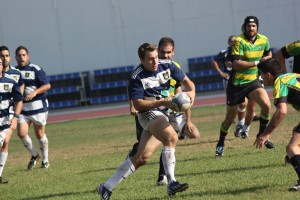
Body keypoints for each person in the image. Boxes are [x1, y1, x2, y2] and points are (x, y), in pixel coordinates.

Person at [96, 43, 196, 199]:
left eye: (156, 57)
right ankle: (171, 183)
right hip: (147, 113)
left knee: (142, 157)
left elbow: (189, 83)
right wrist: (163, 102)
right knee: (171, 138)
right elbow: (138, 104)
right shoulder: (136, 77)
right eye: (150, 59)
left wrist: (191, 94)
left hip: (164, 112)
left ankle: (106, 186)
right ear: (142, 60)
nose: (155, 62)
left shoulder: (167, 65)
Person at [127, 37, 200, 186]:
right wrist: (132, 106)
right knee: (143, 155)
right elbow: (134, 92)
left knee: (172, 137)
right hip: (149, 110)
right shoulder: (146, 66)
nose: (165, 55)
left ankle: (165, 177)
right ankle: (112, 181)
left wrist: (188, 117)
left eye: (168, 52)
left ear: (173, 53)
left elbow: (181, 91)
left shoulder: (172, 66)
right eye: (162, 52)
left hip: (169, 109)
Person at [215, 16, 273, 157]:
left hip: (253, 81)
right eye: (248, 26)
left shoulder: (263, 40)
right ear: (244, 27)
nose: (251, 28)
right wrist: (257, 63)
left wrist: (267, 59)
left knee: (266, 105)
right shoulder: (239, 41)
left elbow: (268, 53)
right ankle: (221, 142)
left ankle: (262, 135)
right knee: (230, 118)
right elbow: (237, 65)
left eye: (253, 26)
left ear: (257, 27)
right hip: (237, 84)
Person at [255, 58, 300, 191]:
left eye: (261, 74)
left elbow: (281, 111)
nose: (261, 78)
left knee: (292, 147)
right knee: (296, 136)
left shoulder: (279, 83)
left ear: (268, 74)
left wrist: (265, 134)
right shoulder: (292, 75)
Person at [15, 46, 51, 169]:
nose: (21, 57)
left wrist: (35, 92)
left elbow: (47, 85)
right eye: (19, 55)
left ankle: (45, 160)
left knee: (39, 134)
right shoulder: (13, 71)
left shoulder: (35, 69)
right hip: (22, 107)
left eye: (23, 55)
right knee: (21, 133)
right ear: (16, 57)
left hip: (37, 106)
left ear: (28, 56)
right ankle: (35, 155)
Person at [212, 35, 247, 138]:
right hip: (229, 80)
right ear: (229, 43)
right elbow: (214, 60)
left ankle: (240, 124)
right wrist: (220, 72)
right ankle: (231, 118)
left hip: (242, 79)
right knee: (234, 102)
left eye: (235, 41)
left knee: (243, 103)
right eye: (231, 41)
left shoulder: (243, 50)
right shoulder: (225, 52)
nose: (233, 42)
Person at [0, 57, 24, 184]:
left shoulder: (10, 82)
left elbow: (19, 100)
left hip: (3, 122)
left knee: (4, 144)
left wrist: (15, 117)